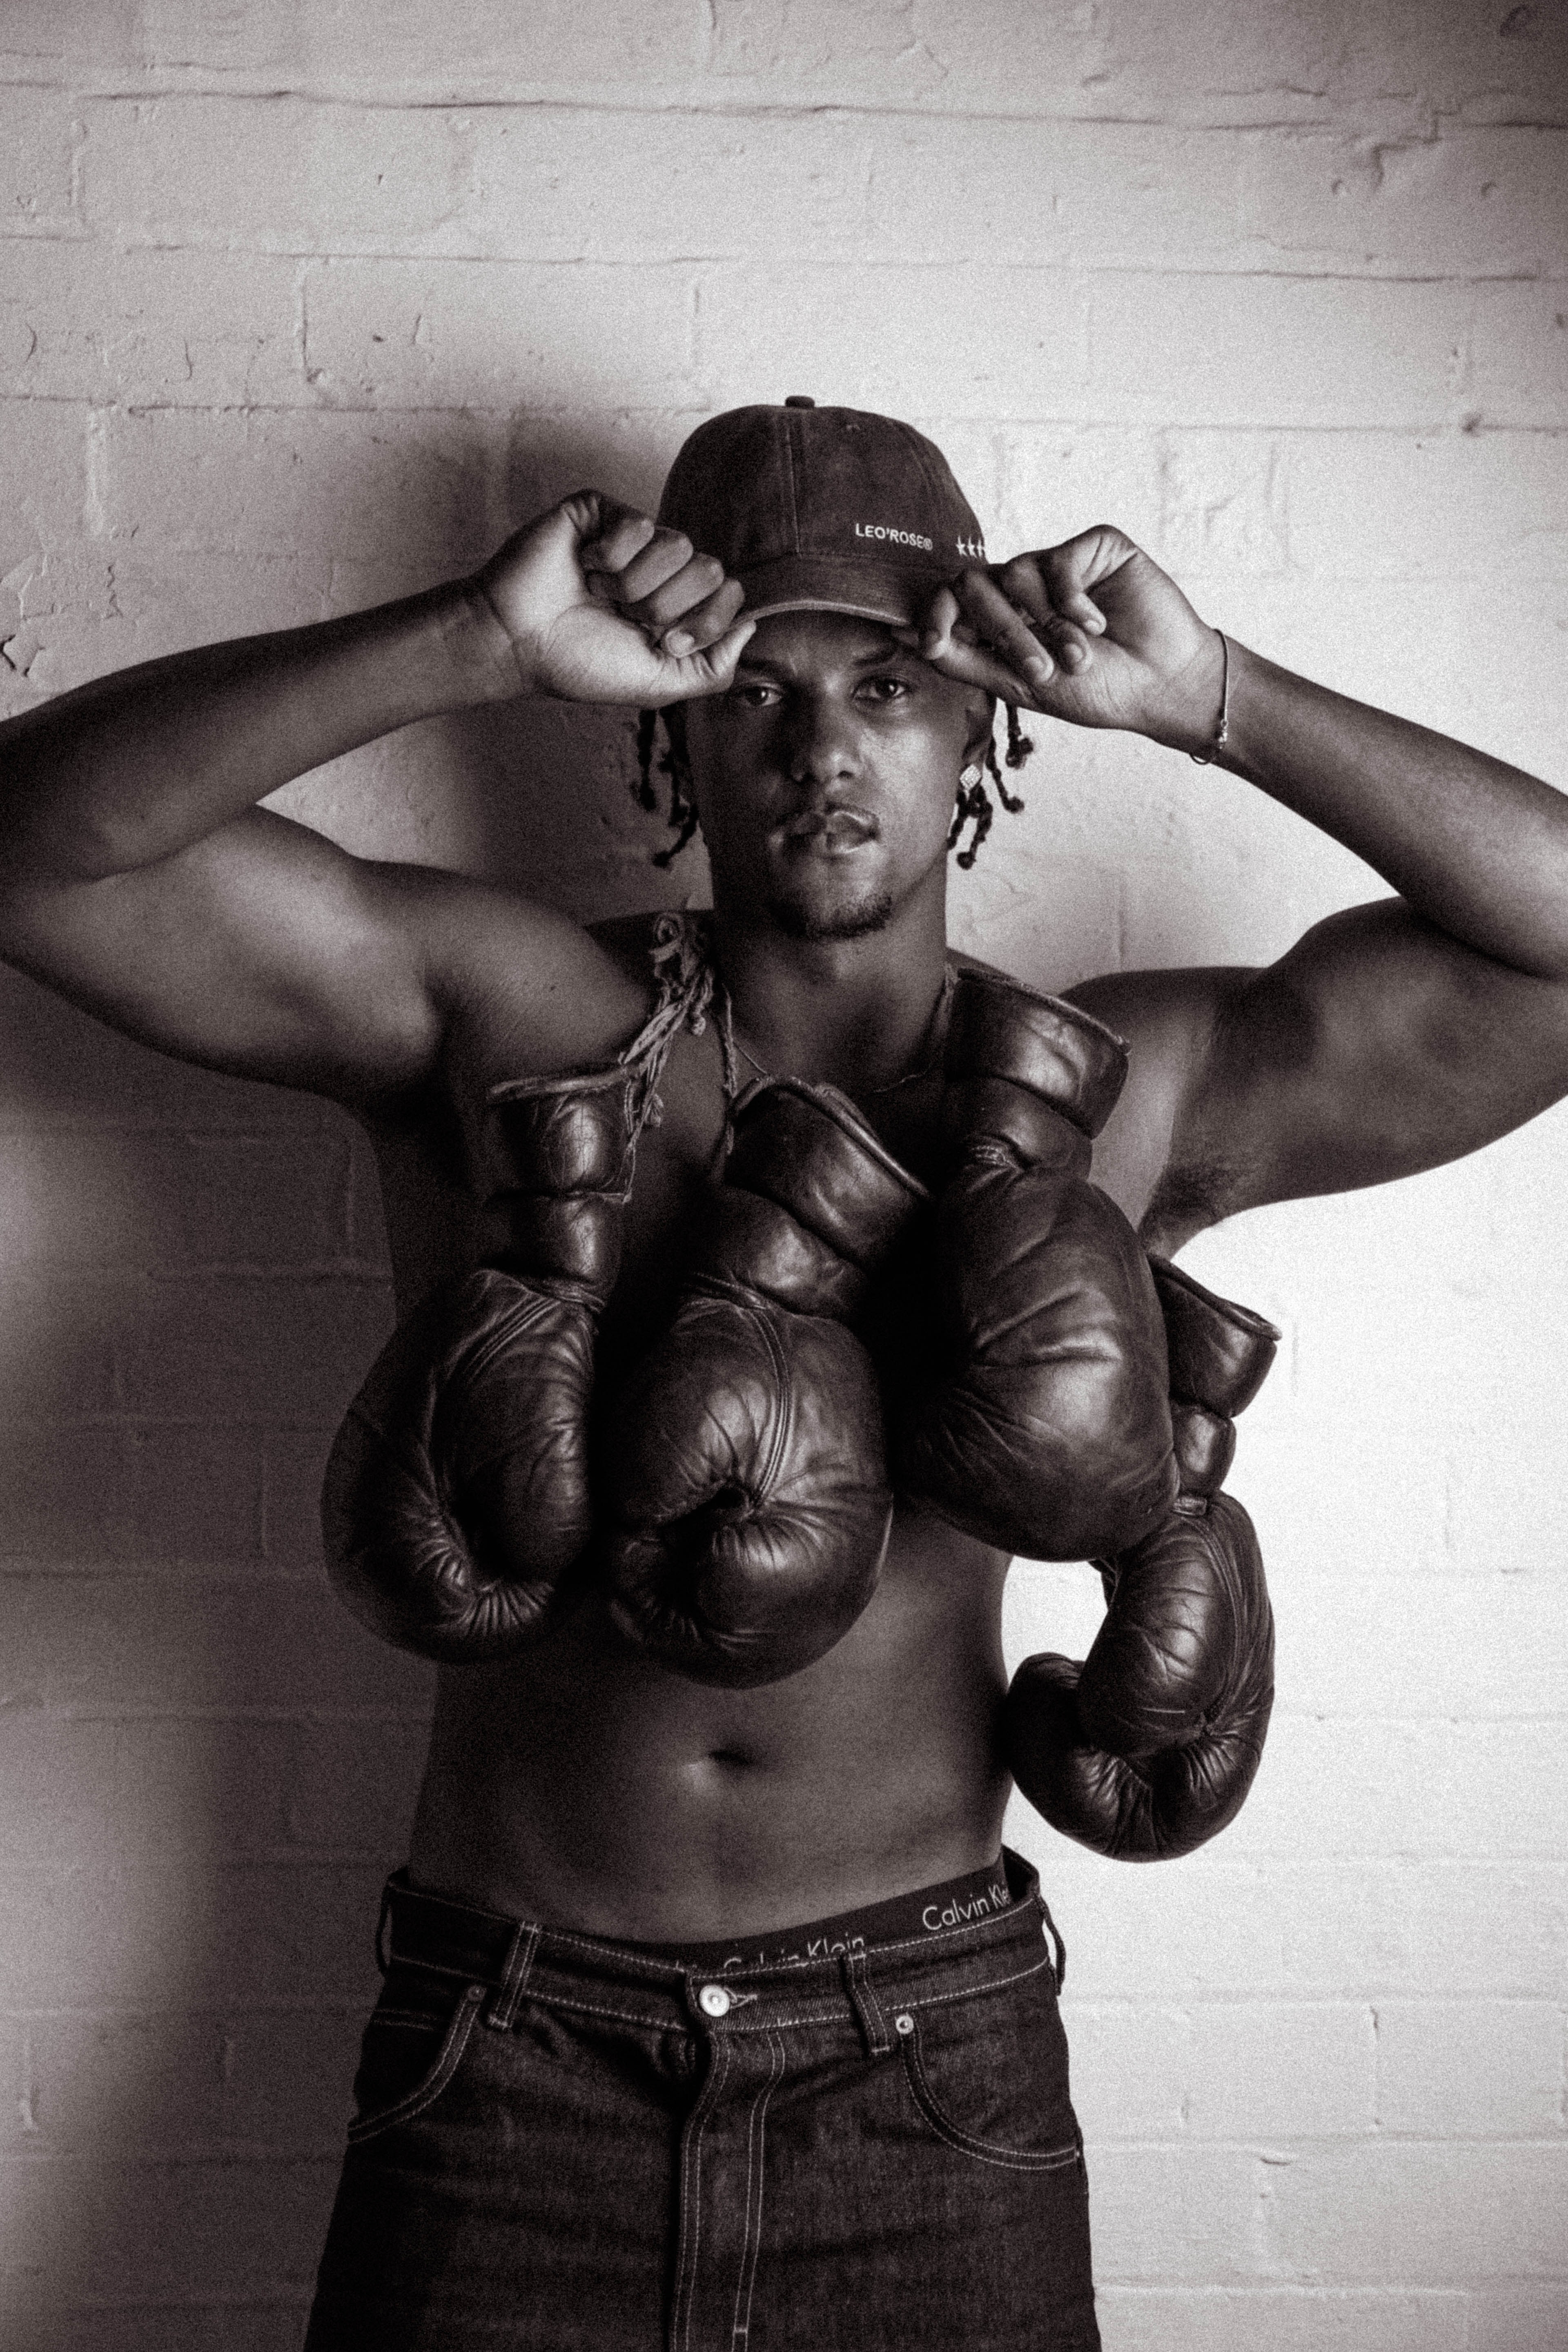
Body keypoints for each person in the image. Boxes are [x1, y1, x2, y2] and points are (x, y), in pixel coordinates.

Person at [2, 396, 1565, 2350]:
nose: (824, 750)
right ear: (669, 722)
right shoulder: (501, 1018)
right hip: (511, 2057)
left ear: (986, 728)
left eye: (891, 686)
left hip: (924, 2071)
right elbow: (35, 857)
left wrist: (1221, 697)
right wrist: (471, 642)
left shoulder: (1113, 1092)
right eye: (756, 689)